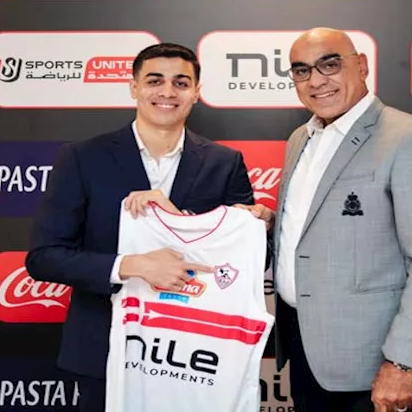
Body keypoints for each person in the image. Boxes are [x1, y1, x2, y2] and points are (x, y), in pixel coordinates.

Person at [24, 42, 265, 412]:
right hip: (105, 349)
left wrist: (187, 219)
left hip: (196, 356)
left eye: (181, 83)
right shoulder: (82, 157)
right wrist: (134, 266)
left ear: (196, 92)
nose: (167, 91)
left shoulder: (224, 162)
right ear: (133, 87)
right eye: (154, 81)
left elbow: (247, 260)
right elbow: (44, 258)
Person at [265, 27, 412, 412]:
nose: (316, 80)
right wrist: (268, 224)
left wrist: (402, 362)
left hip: (379, 368)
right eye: (302, 71)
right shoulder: (300, 139)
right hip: (306, 352)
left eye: (329, 64)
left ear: (361, 66)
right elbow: (317, 228)